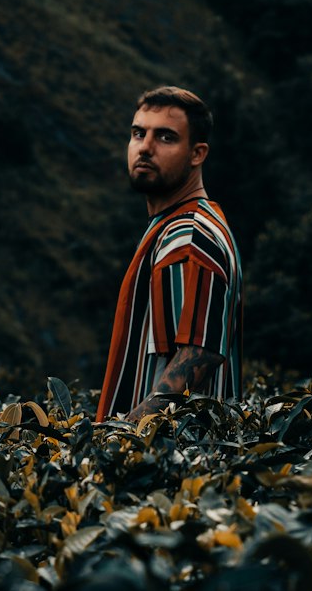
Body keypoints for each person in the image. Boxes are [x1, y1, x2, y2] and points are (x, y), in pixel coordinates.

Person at [96, 86, 242, 422]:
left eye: (165, 137)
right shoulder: (174, 227)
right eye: (138, 133)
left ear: (197, 154)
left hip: (169, 464)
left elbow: (201, 352)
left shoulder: (190, 234)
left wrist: (118, 440)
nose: (145, 147)